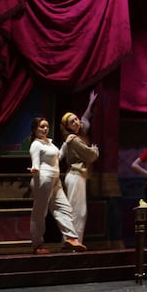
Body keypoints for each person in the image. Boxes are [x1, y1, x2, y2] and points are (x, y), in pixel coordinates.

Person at [28, 117, 87, 254]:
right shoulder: (36, 144)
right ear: (35, 129)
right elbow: (35, 161)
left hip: (55, 178)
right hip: (43, 178)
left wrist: (66, 143)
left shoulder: (49, 143)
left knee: (64, 207)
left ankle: (71, 237)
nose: (45, 129)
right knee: (40, 212)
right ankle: (37, 244)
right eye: (42, 126)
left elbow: (58, 156)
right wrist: (35, 168)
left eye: (47, 126)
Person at [59, 90, 99, 244]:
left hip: (78, 176)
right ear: (67, 127)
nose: (76, 122)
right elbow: (91, 156)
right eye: (72, 122)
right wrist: (95, 150)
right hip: (75, 175)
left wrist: (90, 104)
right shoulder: (73, 139)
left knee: (78, 211)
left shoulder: (78, 135)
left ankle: (71, 242)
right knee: (77, 211)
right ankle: (73, 243)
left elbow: (85, 117)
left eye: (76, 120)